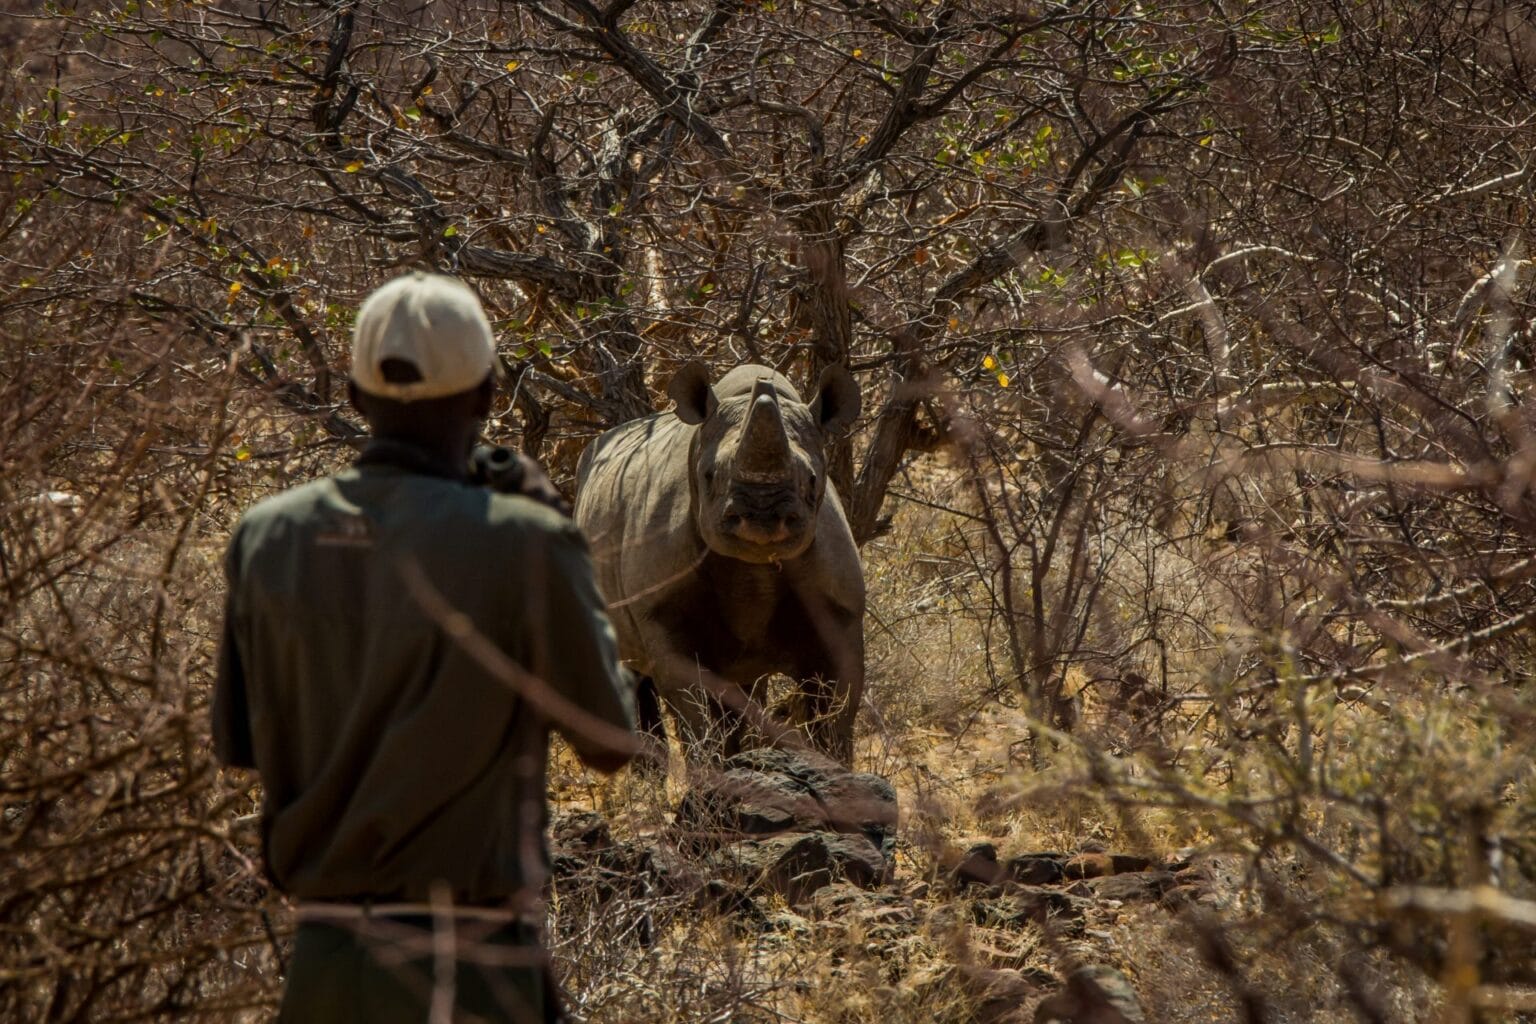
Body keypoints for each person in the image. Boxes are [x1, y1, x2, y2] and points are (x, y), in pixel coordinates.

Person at [212, 271, 638, 1023]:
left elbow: (240, 742)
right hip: (465, 960)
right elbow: (609, 740)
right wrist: (551, 538)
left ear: (353, 398)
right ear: (486, 395)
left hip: (322, 960)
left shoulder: (267, 536)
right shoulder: (524, 542)